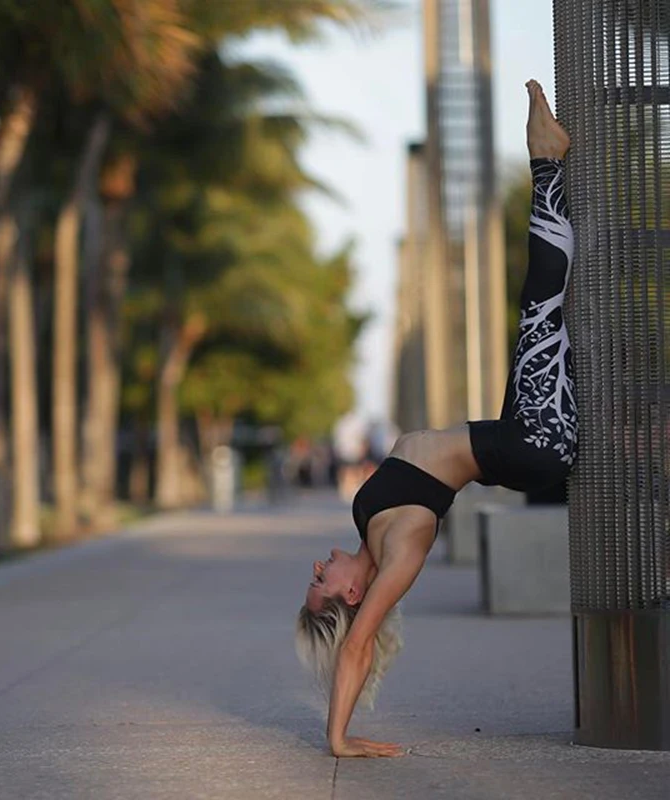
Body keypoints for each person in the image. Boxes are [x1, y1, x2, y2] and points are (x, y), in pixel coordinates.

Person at [295, 80, 578, 759]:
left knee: (545, 311)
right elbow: (357, 642)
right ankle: (549, 161)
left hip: (515, 433)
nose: (317, 567)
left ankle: (551, 163)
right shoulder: (398, 555)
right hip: (531, 445)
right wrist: (338, 740)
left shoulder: (372, 527)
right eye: (319, 584)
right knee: (541, 304)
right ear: (354, 591)